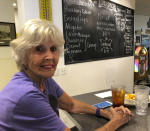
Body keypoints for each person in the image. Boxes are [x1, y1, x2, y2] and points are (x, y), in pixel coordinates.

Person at [0, 19, 132, 131]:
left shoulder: (42, 79)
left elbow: (71, 105)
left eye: (53, 49)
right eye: (39, 49)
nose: (50, 57)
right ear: (23, 56)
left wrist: (106, 113)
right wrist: (116, 122)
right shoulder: (27, 94)